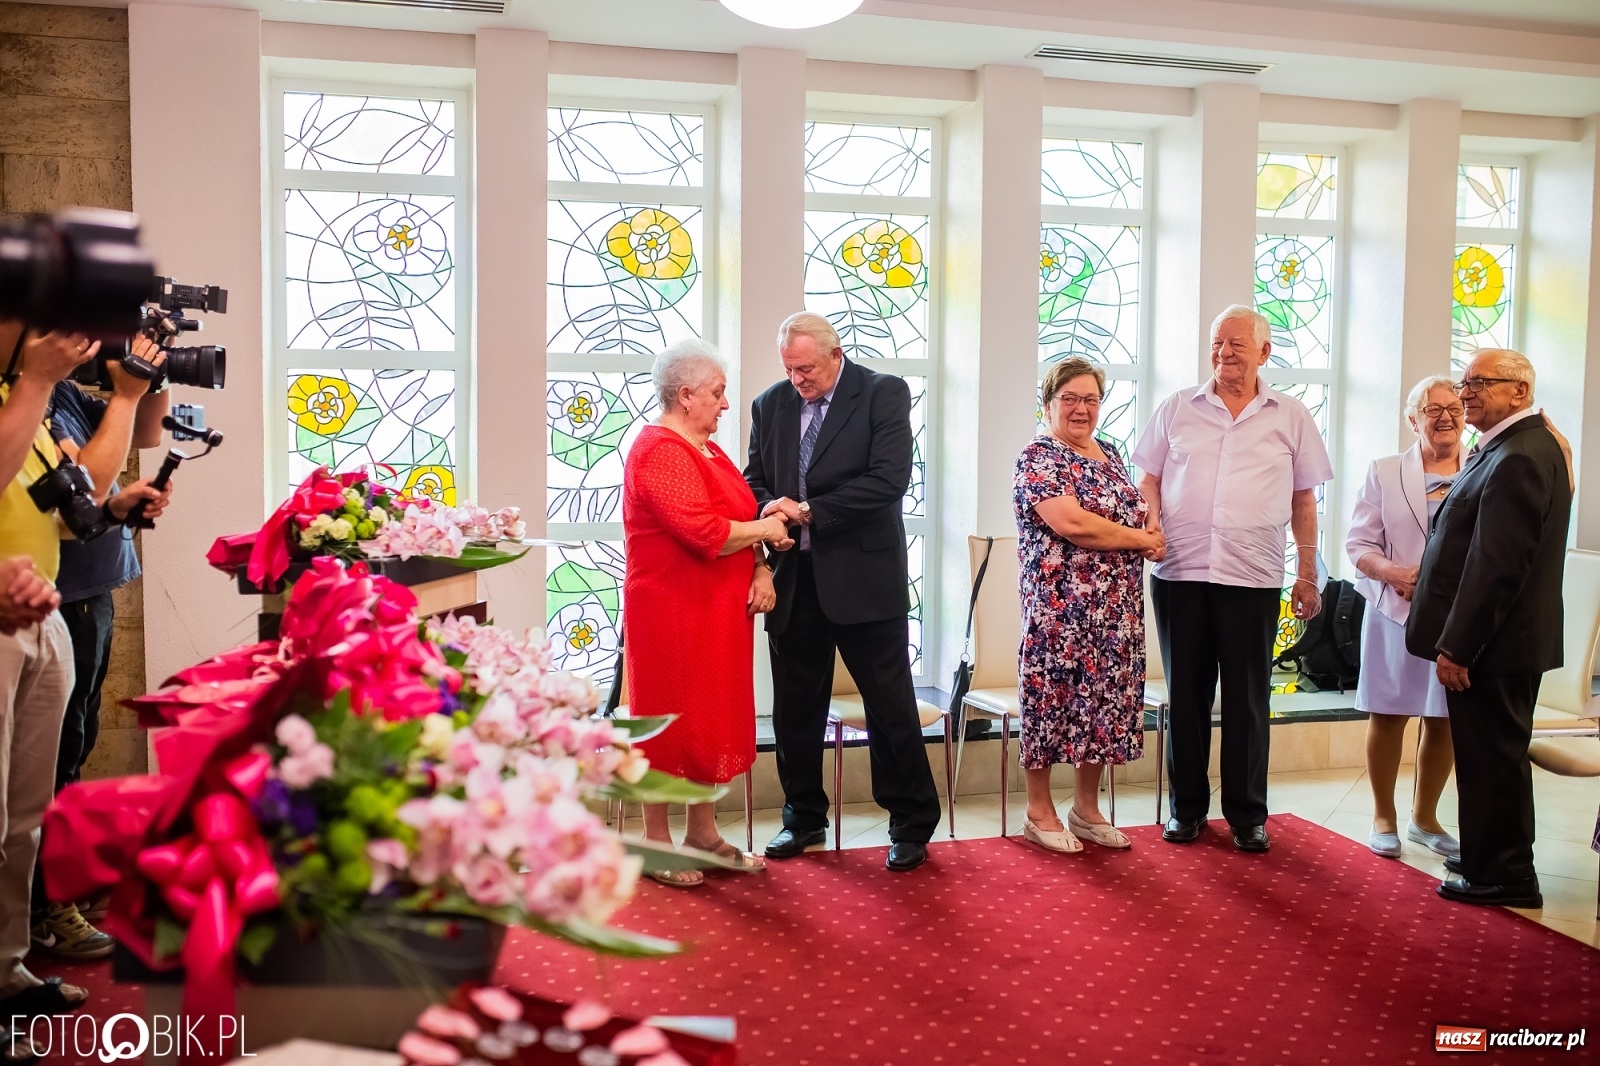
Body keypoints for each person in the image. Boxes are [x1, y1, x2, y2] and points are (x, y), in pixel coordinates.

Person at [0, 322, 171, 1048]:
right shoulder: (27, 391)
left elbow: (61, 509)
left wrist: (114, 509)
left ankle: (8, 971)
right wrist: (41, 380)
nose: (66, 334)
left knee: (23, 818)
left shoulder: (27, 394)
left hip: (44, 612)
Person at [744, 311, 942, 872]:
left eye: (806, 369)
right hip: (794, 579)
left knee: (889, 706)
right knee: (795, 710)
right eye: (789, 369)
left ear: (836, 355)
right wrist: (768, 508)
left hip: (864, 579)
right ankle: (802, 817)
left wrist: (807, 511)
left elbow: (888, 480)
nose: (797, 380)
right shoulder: (770, 404)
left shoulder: (882, 393)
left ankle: (909, 822)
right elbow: (753, 478)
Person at [1132, 305, 1333, 853]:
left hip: (1253, 576)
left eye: (1237, 344)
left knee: (1246, 699)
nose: (1224, 353)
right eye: (1218, 343)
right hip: (1181, 571)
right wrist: (1151, 521)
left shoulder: (1290, 415)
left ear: (1264, 352)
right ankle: (1186, 810)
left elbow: (1304, 499)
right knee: (1186, 695)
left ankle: (1247, 815)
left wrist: (1307, 571)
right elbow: (1148, 479)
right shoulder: (1177, 407)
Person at [1407, 348, 1571, 909]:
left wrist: (1458, 645)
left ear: (1519, 392)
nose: (1466, 392)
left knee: (1494, 759)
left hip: (1496, 645)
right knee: (1484, 757)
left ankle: (1506, 874)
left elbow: (1497, 566)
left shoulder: (1521, 454)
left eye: (1480, 383)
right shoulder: (1507, 446)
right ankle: (1485, 853)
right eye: (1465, 381)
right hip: (1499, 642)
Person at [622, 339, 790, 887]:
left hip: (717, 612)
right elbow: (703, 531)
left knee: (708, 723)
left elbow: (738, 517)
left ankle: (702, 834)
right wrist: (767, 528)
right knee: (669, 723)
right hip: (673, 611)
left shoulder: (708, 449)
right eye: (717, 393)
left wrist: (760, 566)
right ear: (685, 395)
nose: (725, 403)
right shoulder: (659, 449)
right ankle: (654, 844)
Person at [1012, 357, 1164, 854]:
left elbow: (1135, 510)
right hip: (1059, 611)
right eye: (1070, 399)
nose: (1081, 409)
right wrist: (1140, 539)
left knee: (1102, 703)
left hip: (1116, 610)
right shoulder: (1038, 456)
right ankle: (1038, 812)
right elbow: (1072, 524)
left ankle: (1086, 809)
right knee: (1050, 702)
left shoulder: (1111, 452)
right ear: (1048, 403)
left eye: (1091, 399)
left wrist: (1151, 529)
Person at [1345, 376, 1461, 861]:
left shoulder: (1482, 466)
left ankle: (1425, 819)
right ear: (1413, 420)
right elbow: (1359, 544)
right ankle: (1384, 817)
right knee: (1389, 713)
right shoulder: (1386, 470)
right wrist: (1392, 573)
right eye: (1433, 409)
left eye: (1454, 408)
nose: (1445, 417)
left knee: (1444, 718)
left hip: (1456, 615)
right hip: (1395, 611)